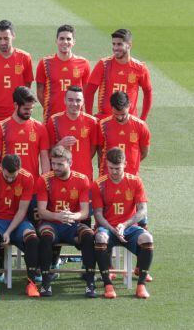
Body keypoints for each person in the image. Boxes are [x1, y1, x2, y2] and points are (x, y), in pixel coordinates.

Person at [0, 154, 40, 297]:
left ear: (19, 169)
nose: (10, 179)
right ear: (1, 168)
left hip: (18, 221)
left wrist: (9, 232)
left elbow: (22, 210)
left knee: (32, 238)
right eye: (7, 176)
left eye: (13, 176)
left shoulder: (27, 178)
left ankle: (31, 283)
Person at [92, 147, 153, 299]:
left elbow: (142, 210)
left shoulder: (135, 181)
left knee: (147, 239)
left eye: (117, 168)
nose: (114, 172)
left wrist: (124, 225)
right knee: (100, 239)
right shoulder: (98, 184)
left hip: (129, 227)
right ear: (106, 164)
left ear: (125, 164)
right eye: (111, 168)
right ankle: (108, 285)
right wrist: (113, 229)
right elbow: (98, 214)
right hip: (107, 228)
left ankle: (141, 285)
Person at [35, 146, 95, 297]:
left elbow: (85, 212)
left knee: (88, 235)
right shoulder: (44, 180)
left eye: (60, 164)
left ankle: (90, 283)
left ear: (70, 163)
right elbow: (42, 211)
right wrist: (58, 216)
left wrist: (71, 216)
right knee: (46, 236)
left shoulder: (82, 180)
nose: (55, 167)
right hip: (51, 223)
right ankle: (45, 283)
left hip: (72, 225)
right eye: (53, 163)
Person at [0, 86, 49, 222]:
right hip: (9, 187)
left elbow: (45, 157)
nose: (29, 112)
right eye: (26, 109)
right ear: (16, 104)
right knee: (6, 225)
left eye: (32, 109)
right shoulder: (2, 127)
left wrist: (46, 182)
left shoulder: (39, 127)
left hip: (33, 188)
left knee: (35, 230)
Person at [0, 20, 33, 159]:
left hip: (18, 119)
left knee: (18, 159)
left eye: (6, 38)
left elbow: (27, 89)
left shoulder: (24, 58)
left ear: (13, 36)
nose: (2, 42)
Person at [84, 29, 152, 121]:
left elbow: (148, 93)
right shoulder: (103, 64)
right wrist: (89, 117)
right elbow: (89, 91)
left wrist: (143, 119)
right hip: (105, 120)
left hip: (128, 121)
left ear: (129, 45)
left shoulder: (140, 68)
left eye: (119, 44)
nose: (115, 48)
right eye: (114, 44)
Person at [36, 25, 91, 121]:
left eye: (68, 39)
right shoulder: (45, 63)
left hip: (76, 117)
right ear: (56, 41)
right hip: (52, 117)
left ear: (74, 42)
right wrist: (49, 108)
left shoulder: (84, 63)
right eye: (61, 39)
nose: (65, 42)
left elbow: (85, 92)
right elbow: (40, 91)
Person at [46, 86, 98, 181]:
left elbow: (93, 149)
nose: (74, 104)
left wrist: (82, 160)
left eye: (78, 100)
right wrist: (59, 144)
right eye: (70, 100)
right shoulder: (53, 120)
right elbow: (47, 150)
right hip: (61, 175)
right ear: (65, 100)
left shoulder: (92, 122)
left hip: (84, 175)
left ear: (83, 102)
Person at [97, 91, 150, 176]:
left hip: (131, 175)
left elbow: (144, 152)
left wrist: (129, 165)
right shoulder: (103, 125)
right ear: (111, 107)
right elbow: (99, 150)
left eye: (123, 114)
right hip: (107, 176)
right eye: (116, 114)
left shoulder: (141, 126)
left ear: (129, 106)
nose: (119, 117)